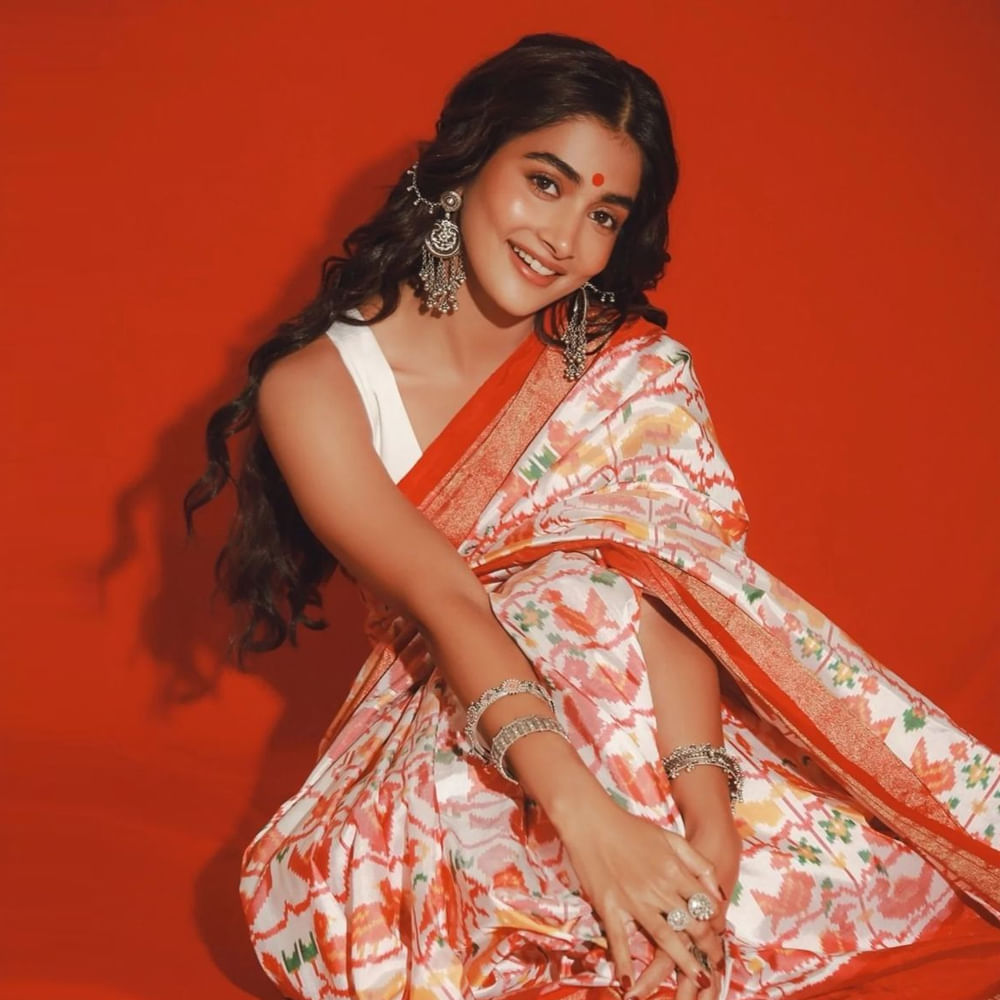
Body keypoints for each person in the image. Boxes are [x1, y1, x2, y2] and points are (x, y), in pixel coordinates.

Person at [185, 34, 1000, 1000]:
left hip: (641, 727)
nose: (565, 238)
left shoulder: (626, 372)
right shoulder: (318, 388)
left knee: (590, 591)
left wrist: (709, 825)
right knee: (548, 601)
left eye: (603, 214)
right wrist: (590, 823)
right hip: (450, 721)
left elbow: (672, 594)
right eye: (545, 182)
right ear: (463, 163)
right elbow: (450, 603)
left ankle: (657, 903)